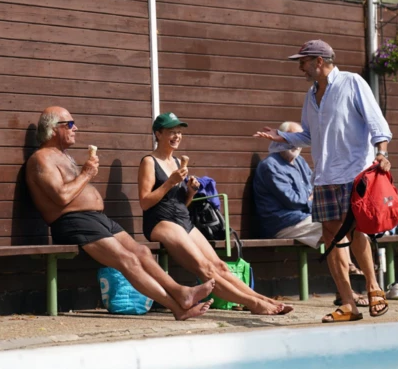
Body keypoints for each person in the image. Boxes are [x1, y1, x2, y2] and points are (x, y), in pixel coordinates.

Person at [26, 106, 215, 321]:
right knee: (128, 260)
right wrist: (87, 173)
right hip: (72, 221)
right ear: (52, 129)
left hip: (96, 219)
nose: (75, 128)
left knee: (142, 252)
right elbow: (61, 197)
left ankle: (181, 292)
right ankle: (176, 307)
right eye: (69, 124)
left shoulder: (62, 156)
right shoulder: (42, 159)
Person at [254, 40, 392, 323]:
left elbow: (377, 123)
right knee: (331, 238)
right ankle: (348, 304)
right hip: (325, 176)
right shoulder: (310, 95)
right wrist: (283, 138)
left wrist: (381, 153)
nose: (300, 68)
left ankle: (374, 287)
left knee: (356, 232)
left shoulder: (353, 83)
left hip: (355, 172)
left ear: (319, 61)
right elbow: (308, 135)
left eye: (303, 62)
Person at [138, 112, 293, 315]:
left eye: (179, 132)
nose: (176, 136)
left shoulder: (176, 162)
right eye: (171, 132)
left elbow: (181, 204)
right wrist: (170, 183)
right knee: (206, 269)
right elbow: (144, 202)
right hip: (160, 221)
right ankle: (254, 304)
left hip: (181, 218)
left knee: (219, 265)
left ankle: (261, 298)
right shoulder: (149, 162)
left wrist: (191, 191)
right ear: (158, 134)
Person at [252, 121, 367, 308]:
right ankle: (348, 279)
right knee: (333, 228)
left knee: (337, 226)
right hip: (283, 223)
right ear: (281, 139)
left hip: (303, 218)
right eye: (291, 139)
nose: (296, 145)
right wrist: (311, 197)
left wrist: (310, 196)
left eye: (298, 140)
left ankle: (344, 290)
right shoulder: (270, 166)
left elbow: (313, 188)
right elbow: (292, 200)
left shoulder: (300, 162)